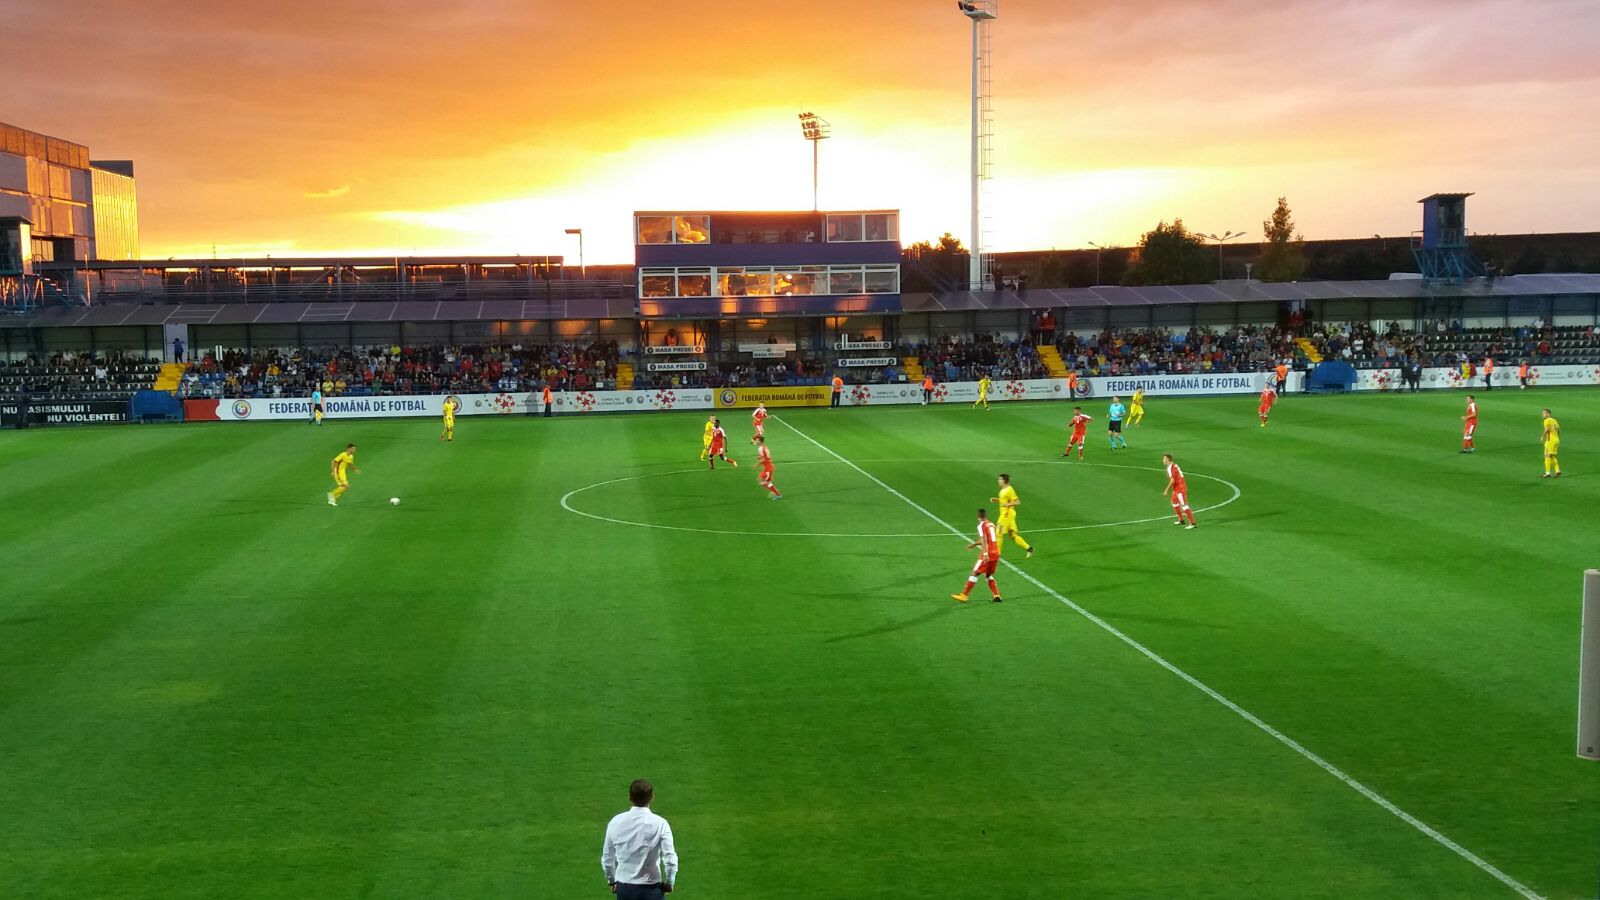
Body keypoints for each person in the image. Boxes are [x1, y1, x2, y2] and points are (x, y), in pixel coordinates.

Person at [601, 779, 678, 899]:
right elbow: (670, 859)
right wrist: (669, 883)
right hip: (652, 890)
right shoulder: (660, 824)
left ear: (630, 798)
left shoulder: (615, 822)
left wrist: (611, 881)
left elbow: (607, 858)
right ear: (652, 797)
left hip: (625, 889)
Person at [951, 508, 1002, 603]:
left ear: (978, 517)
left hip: (987, 554)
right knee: (988, 574)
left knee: (975, 572)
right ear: (985, 516)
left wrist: (986, 554)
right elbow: (990, 539)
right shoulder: (991, 524)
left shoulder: (981, 525)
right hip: (996, 553)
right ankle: (996, 595)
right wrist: (975, 544)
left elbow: (984, 540)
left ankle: (964, 595)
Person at [990, 473, 1033, 559]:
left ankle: (997, 554)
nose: (998, 481)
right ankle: (1029, 549)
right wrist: (997, 500)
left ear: (1004, 481)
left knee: (998, 533)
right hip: (1008, 514)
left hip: (1006, 515)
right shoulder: (1003, 490)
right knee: (1013, 535)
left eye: (1000, 479)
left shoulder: (1009, 489)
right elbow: (1004, 500)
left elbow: (1017, 502)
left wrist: (1008, 504)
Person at [1162, 453, 1197, 530]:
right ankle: (1181, 520)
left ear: (1168, 460)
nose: (1163, 460)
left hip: (1180, 489)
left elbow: (1172, 480)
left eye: (1164, 459)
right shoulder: (1174, 466)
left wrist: (1166, 490)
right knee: (1174, 502)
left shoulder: (1171, 468)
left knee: (1184, 505)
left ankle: (1192, 523)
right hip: (1177, 488)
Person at [753, 434, 781, 499]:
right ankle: (775, 491)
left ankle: (777, 493)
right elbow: (767, 456)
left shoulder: (761, 448)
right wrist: (760, 457)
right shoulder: (763, 447)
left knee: (761, 481)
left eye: (757, 440)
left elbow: (765, 459)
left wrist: (757, 464)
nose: (756, 441)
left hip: (768, 468)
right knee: (763, 481)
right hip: (768, 467)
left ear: (760, 441)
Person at [1541, 407, 1561, 478]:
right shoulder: (1554, 420)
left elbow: (1548, 428)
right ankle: (1557, 470)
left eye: (1544, 413)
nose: (1542, 415)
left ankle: (1547, 473)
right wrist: (1555, 436)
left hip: (1550, 441)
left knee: (1547, 456)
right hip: (1556, 440)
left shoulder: (1547, 420)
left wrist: (1543, 436)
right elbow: (1559, 430)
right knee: (1552, 456)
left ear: (1548, 414)